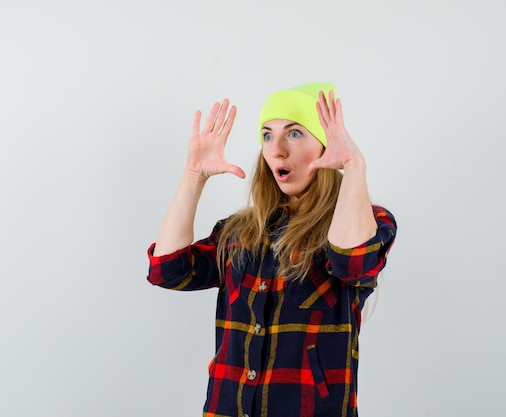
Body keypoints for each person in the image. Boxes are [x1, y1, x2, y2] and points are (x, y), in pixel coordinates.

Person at [146, 82, 397, 417]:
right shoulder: (238, 233)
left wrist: (352, 165)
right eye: (267, 135)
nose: (276, 149)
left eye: (294, 134)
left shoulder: (369, 221)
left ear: (325, 145)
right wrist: (193, 176)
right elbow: (166, 270)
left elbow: (354, 262)